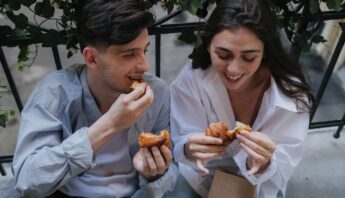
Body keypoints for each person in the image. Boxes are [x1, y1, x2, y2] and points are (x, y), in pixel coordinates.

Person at [12, 0, 177, 197]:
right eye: (128, 55)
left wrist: (154, 174)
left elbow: (169, 172)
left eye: (145, 50)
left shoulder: (158, 93)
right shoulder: (54, 94)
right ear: (91, 58)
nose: (144, 66)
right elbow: (27, 180)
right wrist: (109, 125)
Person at [170, 0, 314, 197]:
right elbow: (181, 140)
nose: (233, 70)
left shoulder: (291, 96)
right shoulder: (192, 80)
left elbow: (283, 166)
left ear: (265, 51)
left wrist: (264, 162)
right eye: (223, 55)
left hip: (259, 187)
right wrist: (188, 147)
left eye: (249, 57)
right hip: (199, 181)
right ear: (209, 44)